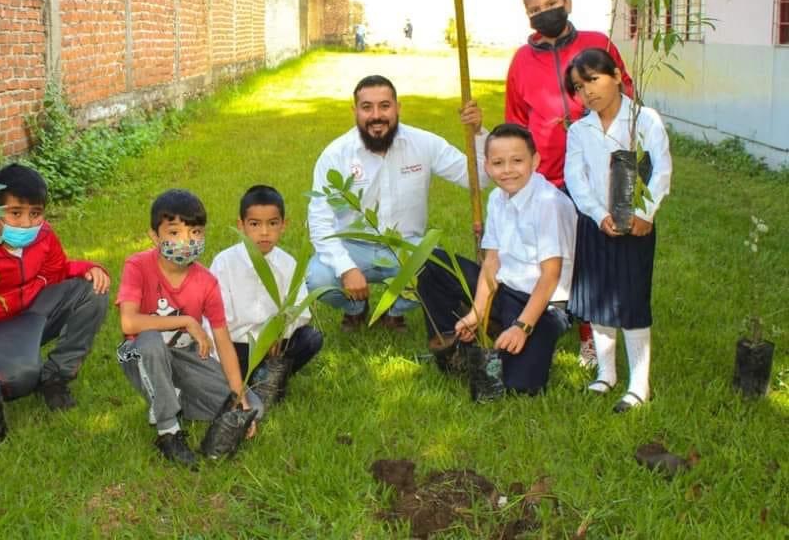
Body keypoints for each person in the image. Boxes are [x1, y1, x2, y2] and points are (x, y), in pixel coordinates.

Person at [505, 0, 634, 368]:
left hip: (604, 170)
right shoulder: (521, 61)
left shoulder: (598, 43)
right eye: (535, 10)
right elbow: (516, 117)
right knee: (560, 255)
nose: (545, 13)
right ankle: (554, 320)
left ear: (568, 2)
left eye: (550, 4)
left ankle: (597, 336)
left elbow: (625, 93)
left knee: (604, 256)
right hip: (551, 177)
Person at [306, 75, 487, 332]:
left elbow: (478, 178)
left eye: (385, 106)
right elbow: (319, 221)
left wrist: (478, 132)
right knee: (317, 278)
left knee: (440, 270)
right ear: (354, 111)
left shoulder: (423, 143)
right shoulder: (336, 154)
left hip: (405, 246)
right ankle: (356, 308)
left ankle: (395, 311)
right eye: (367, 107)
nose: (376, 115)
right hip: (353, 247)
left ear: (398, 107)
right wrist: (346, 270)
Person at [0, 163, 109, 415]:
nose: (27, 224)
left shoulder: (43, 234)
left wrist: (87, 268)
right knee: (21, 379)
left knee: (94, 289)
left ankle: (55, 379)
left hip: (26, 311)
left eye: (35, 213)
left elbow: (55, 270)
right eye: (15, 213)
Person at [418, 124, 576, 394]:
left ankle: (514, 333)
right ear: (487, 167)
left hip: (545, 303)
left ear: (535, 161)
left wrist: (522, 328)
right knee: (430, 262)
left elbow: (550, 275)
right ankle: (456, 346)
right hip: (506, 290)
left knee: (519, 387)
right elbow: (492, 262)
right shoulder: (496, 198)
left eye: (517, 161)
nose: (507, 170)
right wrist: (477, 313)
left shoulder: (549, 202)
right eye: (498, 163)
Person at [116, 189, 264, 468]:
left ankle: (173, 396)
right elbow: (129, 322)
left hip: (185, 354)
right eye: (174, 232)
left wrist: (239, 398)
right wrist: (185, 321)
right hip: (139, 352)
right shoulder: (137, 265)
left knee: (253, 408)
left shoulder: (206, 281)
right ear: (154, 235)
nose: (185, 241)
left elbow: (222, 340)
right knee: (149, 341)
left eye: (195, 232)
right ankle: (168, 430)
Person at [564, 48, 671, 412]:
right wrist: (596, 214)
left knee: (631, 298)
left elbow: (662, 170)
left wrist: (646, 212)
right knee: (598, 300)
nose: (587, 92)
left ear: (616, 75)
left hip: (634, 224)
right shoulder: (580, 129)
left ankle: (639, 383)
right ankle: (606, 374)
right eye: (579, 87)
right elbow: (575, 179)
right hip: (596, 225)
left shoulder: (644, 119)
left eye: (593, 80)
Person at [209, 185, 324, 383]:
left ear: (284, 225)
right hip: (237, 345)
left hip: (276, 344)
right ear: (241, 225)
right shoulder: (224, 263)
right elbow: (217, 317)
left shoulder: (288, 264)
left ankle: (269, 376)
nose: (264, 232)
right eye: (254, 224)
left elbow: (301, 310)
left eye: (272, 224)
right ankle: (258, 378)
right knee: (228, 364)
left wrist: (278, 334)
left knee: (311, 338)